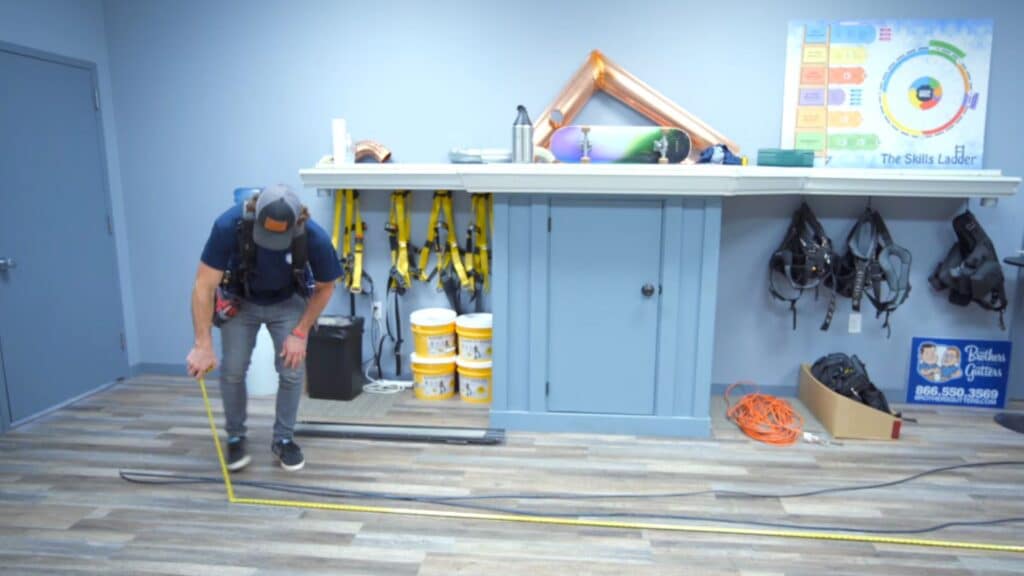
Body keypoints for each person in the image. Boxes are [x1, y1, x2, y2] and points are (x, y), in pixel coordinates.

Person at [186, 185, 341, 472]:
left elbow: (325, 287)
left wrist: (301, 332)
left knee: (292, 369)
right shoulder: (228, 225)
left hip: (287, 300)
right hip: (239, 299)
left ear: (296, 223)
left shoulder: (313, 236)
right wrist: (202, 343)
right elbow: (204, 285)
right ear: (254, 214)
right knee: (232, 369)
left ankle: (283, 440)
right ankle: (235, 436)